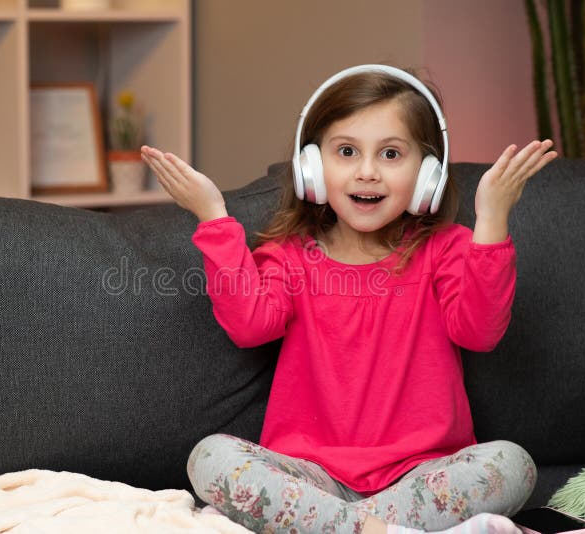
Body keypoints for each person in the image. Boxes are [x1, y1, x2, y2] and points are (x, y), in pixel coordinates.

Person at [141, 64, 557, 534]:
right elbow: (249, 325)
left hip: (420, 475)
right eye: (346, 152)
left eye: (392, 154)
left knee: (511, 464)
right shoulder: (288, 257)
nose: (367, 172)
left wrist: (492, 220)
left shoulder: (447, 250)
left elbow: (479, 332)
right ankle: (379, 531)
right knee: (211, 459)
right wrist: (213, 216)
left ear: (427, 175)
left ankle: (336, 529)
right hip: (310, 479)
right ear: (312, 169)